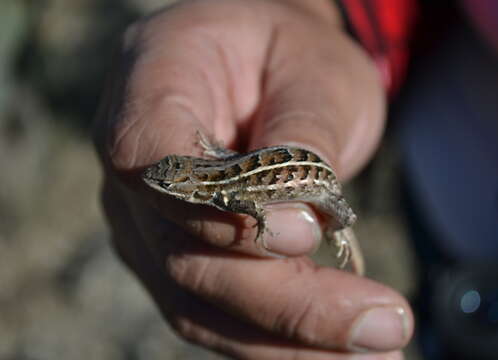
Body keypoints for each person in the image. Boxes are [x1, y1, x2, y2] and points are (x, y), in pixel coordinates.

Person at [93, 1, 418, 359]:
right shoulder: (218, 187)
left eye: (169, 182)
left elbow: (255, 208)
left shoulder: (225, 196)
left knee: (339, 215)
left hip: (318, 179)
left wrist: (267, 225)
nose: (159, 183)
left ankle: (341, 229)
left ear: (190, 186)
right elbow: (229, 161)